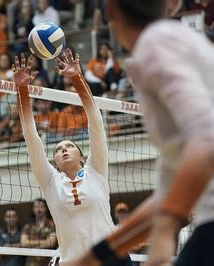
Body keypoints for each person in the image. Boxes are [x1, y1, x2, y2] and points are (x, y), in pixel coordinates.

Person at [61, 0, 214, 265]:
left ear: (110, 9)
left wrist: (166, 229)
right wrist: (94, 257)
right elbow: (167, 196)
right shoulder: (186, 40)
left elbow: (209, 139)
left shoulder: (153, 47)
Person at [12, 51, 131, 265]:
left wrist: (77, 78)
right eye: (59, 149)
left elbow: (95, 121)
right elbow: (31, 136)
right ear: (54, 161)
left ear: (82, 156)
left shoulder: (96, 170)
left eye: (70, 146)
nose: (64, 150)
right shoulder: (50, 181)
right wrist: (22, 89)